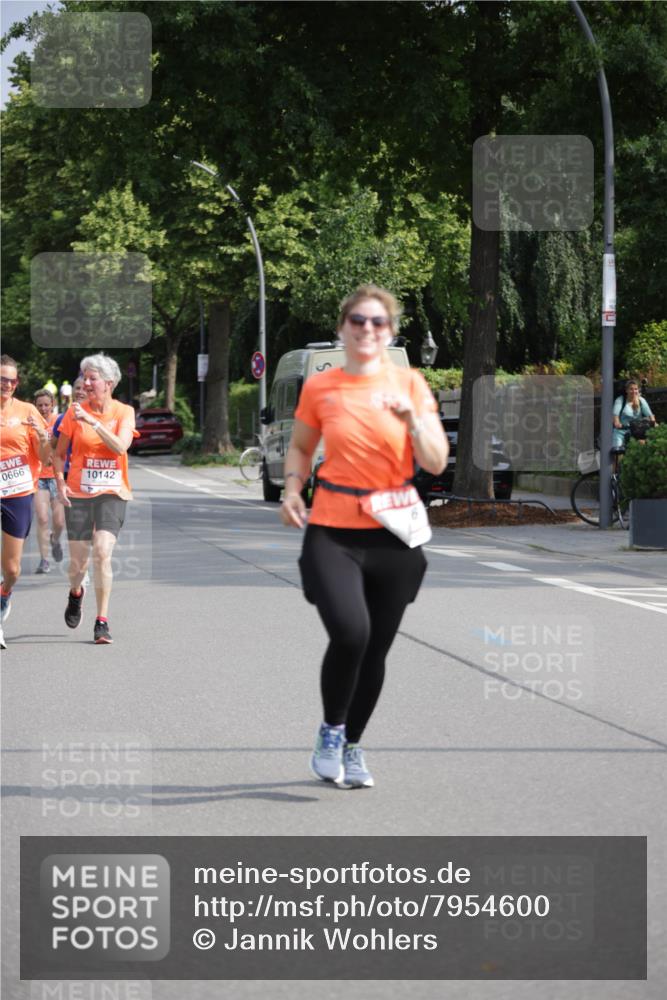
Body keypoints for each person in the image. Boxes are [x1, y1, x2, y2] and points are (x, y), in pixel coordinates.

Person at [280, 285, 448, 788]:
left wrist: (413, 421)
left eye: (378, 322)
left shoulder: (410, 384)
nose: (367, 329)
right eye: (358, 320)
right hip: (333, 531)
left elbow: (436, 462)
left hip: (394, 534)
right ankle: (331, 731)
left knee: (374, 649)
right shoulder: (322, 388)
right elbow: (300, 447)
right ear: (342, 327)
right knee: (352, 633)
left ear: (390, 331)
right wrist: (293, 489)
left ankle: (352, 745)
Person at [53, 355, 135, 645]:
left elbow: (121, 447)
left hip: (112, 493)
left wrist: (93, 422)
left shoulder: (124, 412)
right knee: (78, 564)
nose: (86, 383)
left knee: (102, 551)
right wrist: (60, 483)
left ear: (108, 383)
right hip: (79, 493)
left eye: (92, 378)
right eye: (84, 378)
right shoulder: (73, 414)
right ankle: (76, 593)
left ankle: (102, 621)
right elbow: (59, 454)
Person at [0, 355, 51, 650]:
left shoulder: (28, 411)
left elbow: (45, 458)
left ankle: (5, 593)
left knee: (13, 569)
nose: (7, 384)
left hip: (17, 493)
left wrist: (43, 437)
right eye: (2, 379)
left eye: (12, 380)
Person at [32, 388, 65, 574]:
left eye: (46, 405)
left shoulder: (59, 421)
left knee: (59, 521)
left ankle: (55, 539)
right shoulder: (32, 423)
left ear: (52, 405)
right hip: (38, 477)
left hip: (57, 476)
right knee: (43, 518)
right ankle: (44, 560)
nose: (43, 408)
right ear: (35, 406)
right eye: (40, 405)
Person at [612, 379, 657, 450]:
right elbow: (615, 416)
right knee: (618, 450)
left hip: (637, 431)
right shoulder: (620, 400)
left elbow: (650, 416)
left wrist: (653, 424)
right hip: (622, 431)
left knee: (645, 445)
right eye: (631, 389)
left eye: (636, 389)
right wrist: (617, 423)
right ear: (626, 390)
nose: (634, 391)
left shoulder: (641, 400)